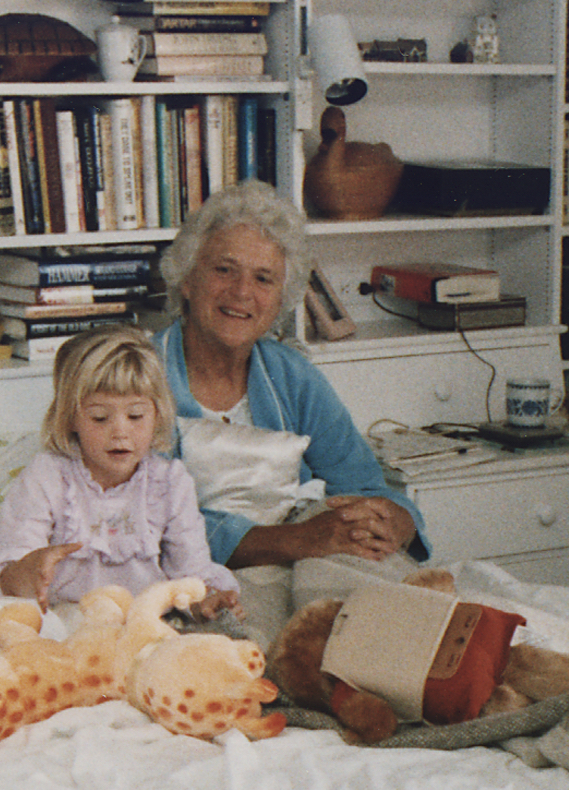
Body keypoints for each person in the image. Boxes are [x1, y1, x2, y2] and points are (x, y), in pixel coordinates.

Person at [153, 183, 428, 634]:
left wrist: (393, 520)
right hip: (204, 585)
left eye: (264, 278)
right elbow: (140, 523)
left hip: (309, 564)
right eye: (225, 269)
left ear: (280, 299)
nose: (242, 292)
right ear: (187, 278)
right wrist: (294, 540)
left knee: (370, 593)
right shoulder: (137, 376)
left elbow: (360, 483)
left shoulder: (292, 375)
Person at [0, 325, 240, 616]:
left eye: (135, 415)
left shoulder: (170, 482)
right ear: (69, 418)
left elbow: (190, 572)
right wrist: (29, 570)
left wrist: (202, 601)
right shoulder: (48, 476)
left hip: (145, 617)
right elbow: (11, 572)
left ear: (157, 414)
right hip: (65, 616)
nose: (120, 432)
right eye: (100, 417)